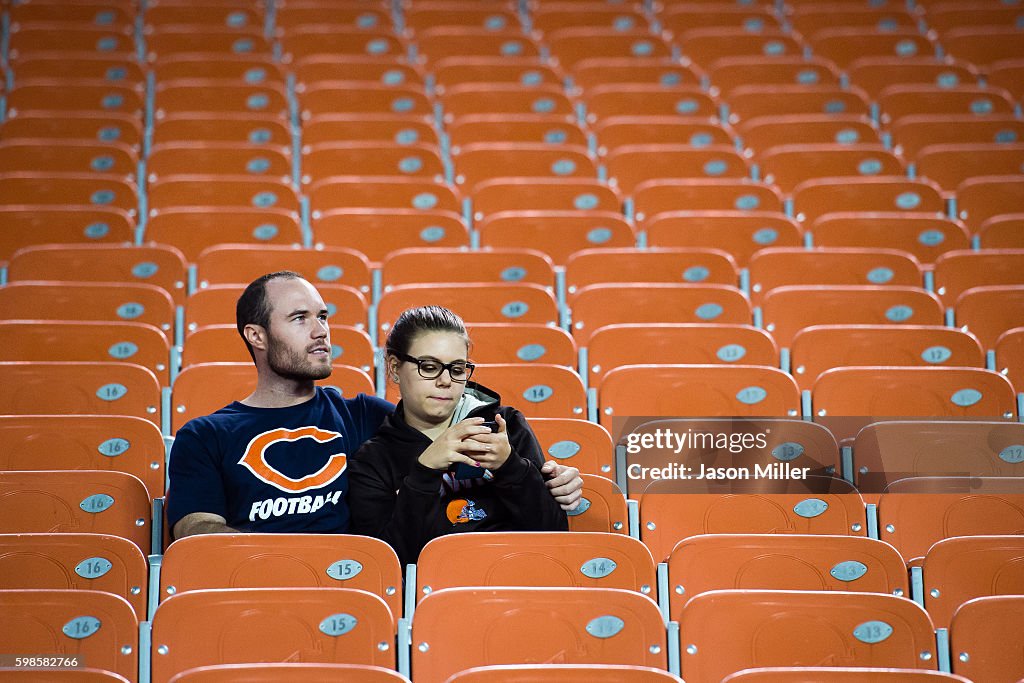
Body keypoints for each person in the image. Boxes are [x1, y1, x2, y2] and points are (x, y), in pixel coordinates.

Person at [166, 271, 582, 540]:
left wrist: (549, 477)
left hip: (357, 581)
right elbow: (195, 533)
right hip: (258, 580)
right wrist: (292, 560)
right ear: (256, 336)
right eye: (300, 319)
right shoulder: (206, 435)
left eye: (323, 317)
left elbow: (436, 419)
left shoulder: (364, 415)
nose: (321, 332)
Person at [348, 306, 567, 566]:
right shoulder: (374, 460)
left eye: (457, 369)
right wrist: (424, 472)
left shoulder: (503, 427)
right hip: (434, 597)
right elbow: (391, 567)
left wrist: (510, 466)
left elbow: (553, 534)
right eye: (429, 367)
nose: (445, 381)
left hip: (519, 577)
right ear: (394, 367)